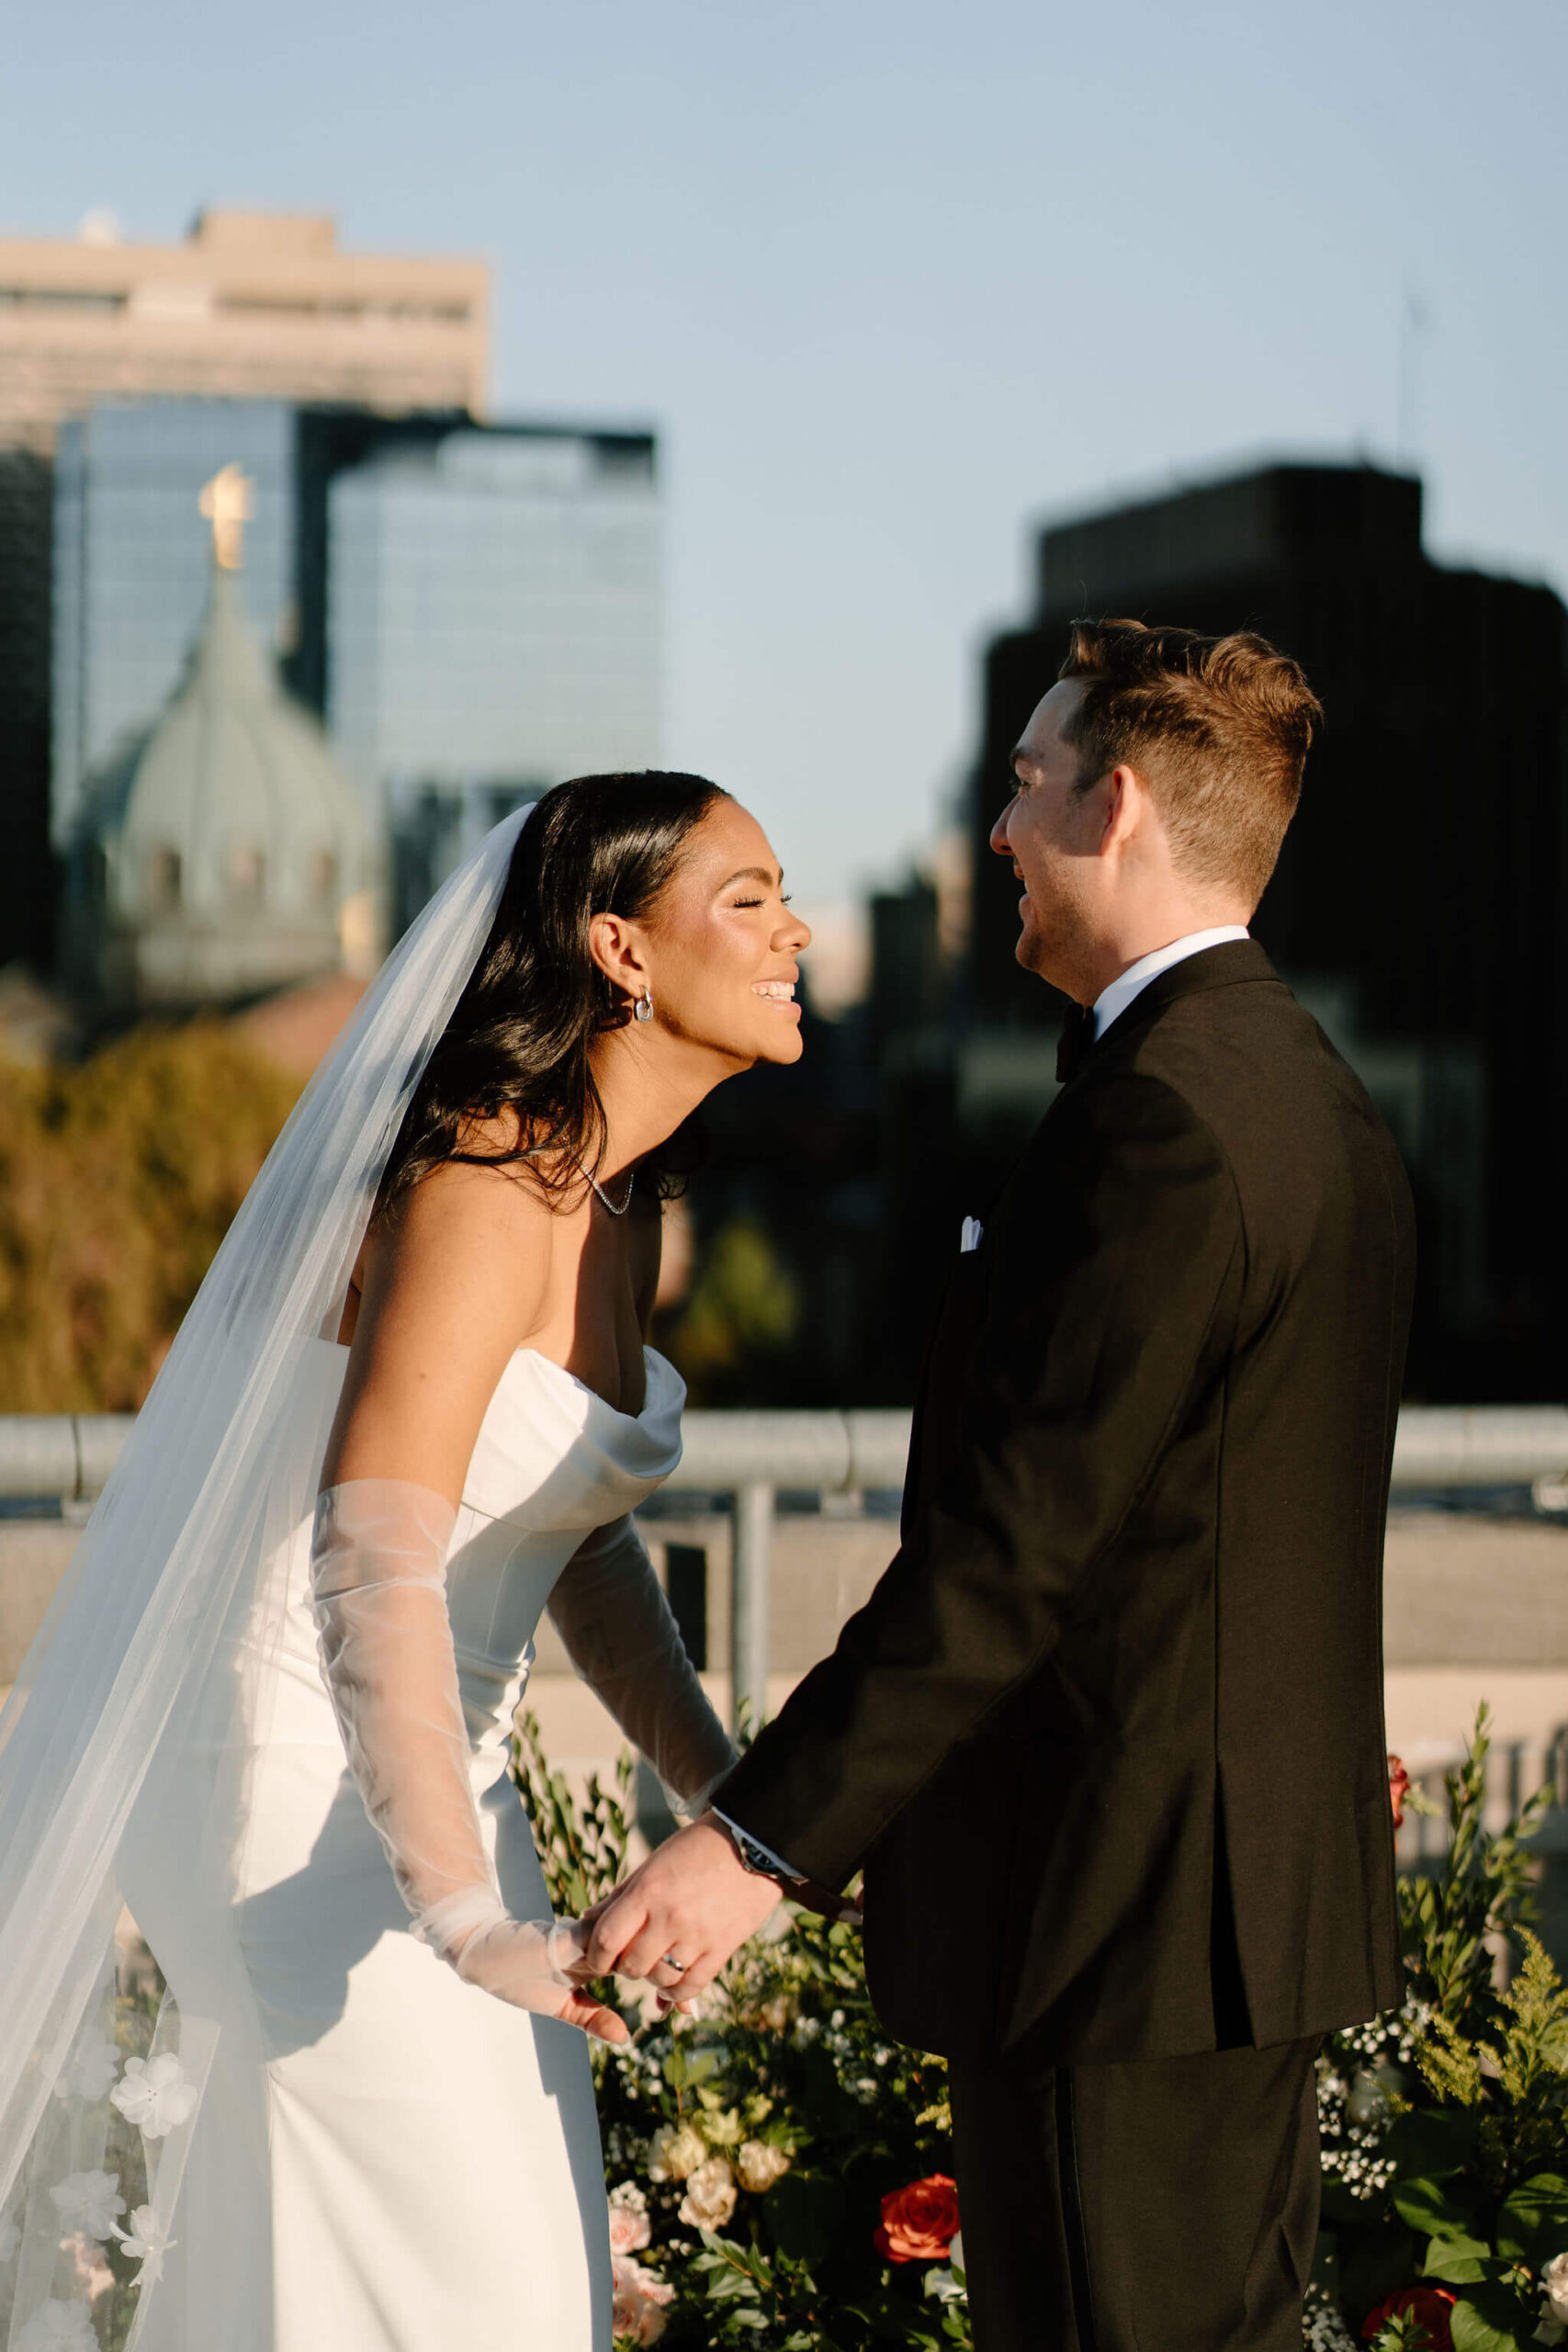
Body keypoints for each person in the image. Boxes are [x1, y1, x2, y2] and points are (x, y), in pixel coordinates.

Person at [586, 623, 1417, 2351]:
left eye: (1028, 784)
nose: (997, 829)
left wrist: (757, 1845)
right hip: (1221, 1917)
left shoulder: (1166, 1119)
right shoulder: (1305, 1093)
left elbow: (1012, 1555)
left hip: (1118, 1916)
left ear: (1116, 805)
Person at [0, 772, 811, 2351]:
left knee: (421, 2276)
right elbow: (371, 1556)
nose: (797, 934)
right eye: (751, 899)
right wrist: (460, 1917)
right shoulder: (480, 1182)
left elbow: (573, 1540)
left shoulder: (620, 1195)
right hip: (291, 1770)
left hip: (441, 1781)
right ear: (619, 950)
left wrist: (738, 1807)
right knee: (475, 2290)